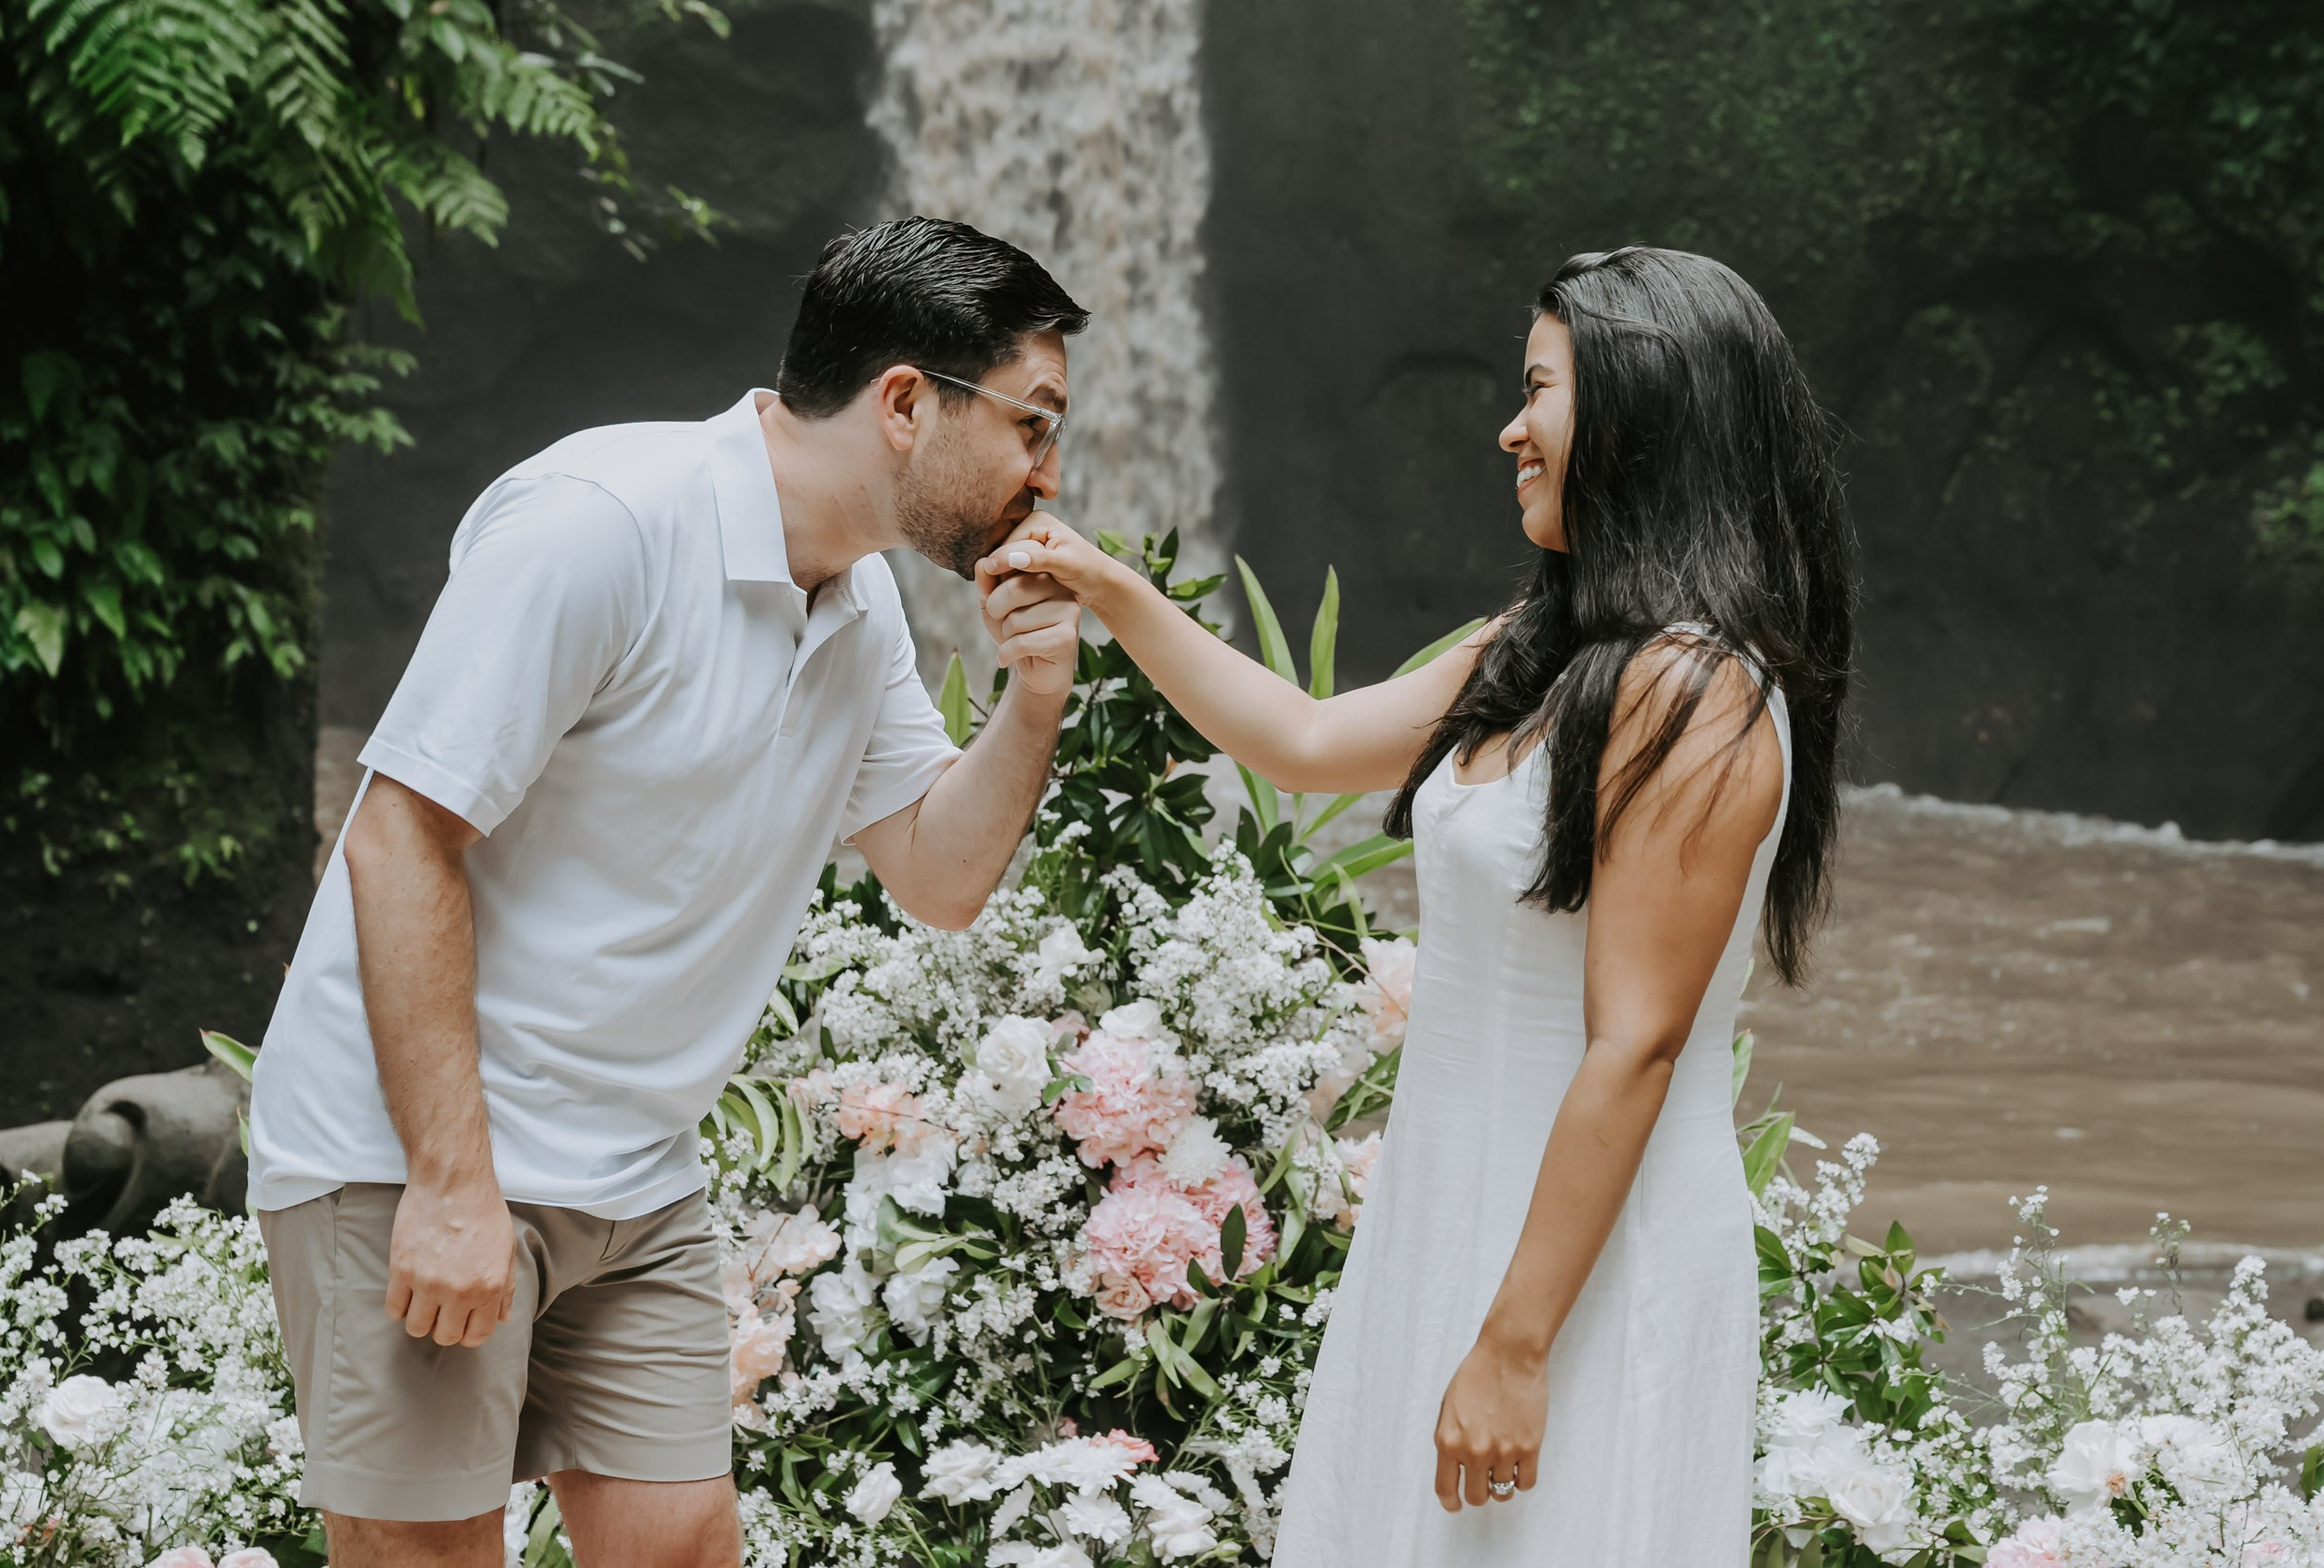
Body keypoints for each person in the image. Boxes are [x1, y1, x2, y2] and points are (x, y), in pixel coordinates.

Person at [978, 245, 1858, 1563]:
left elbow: (1637, 1044)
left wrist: (1515, 1344)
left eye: (1540, 390)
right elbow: (1309, 738)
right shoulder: (1543, 646)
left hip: (1580, 1259)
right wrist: (1109, 587)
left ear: (1641, 411)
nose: (1509, 427)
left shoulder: (1695, 692)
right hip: (1449, 1204)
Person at [245, 215, 1090, 1568]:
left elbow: (938, 873)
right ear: (904, 403)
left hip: (631, 1177)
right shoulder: (604, 525)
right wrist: (454, 1184)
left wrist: (1035, 694)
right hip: (411, 1148)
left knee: (684, 1547)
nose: (1048, 475)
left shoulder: (861, 604)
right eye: (1034, 426)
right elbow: (401, 837)